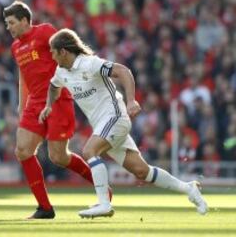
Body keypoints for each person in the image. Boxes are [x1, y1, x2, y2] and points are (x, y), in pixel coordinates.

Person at [39, 28, 208, 218]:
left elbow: (123, 71)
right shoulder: (61, 71)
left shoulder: (89, 64)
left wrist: (131, 101)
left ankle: (104, 204)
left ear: (64, 51)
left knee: (89, 151)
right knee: (142, 171)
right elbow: (54, 86)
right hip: (102, 125)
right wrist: (48, 106)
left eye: (53, 51)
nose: (51, 56)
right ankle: (189, 189)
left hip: (115, 116)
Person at [3, 1, 110, 219]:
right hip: (34, 103)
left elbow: (70, 55)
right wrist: (21, 106)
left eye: (12, 23)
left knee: (58, 157)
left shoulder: (45, 32)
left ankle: (103, 189)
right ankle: (44, 208)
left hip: (57, 98)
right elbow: (23, 76)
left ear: (25, 21)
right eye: (7, 24)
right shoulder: (15, 47)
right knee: (22, 150)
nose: (9, 28)